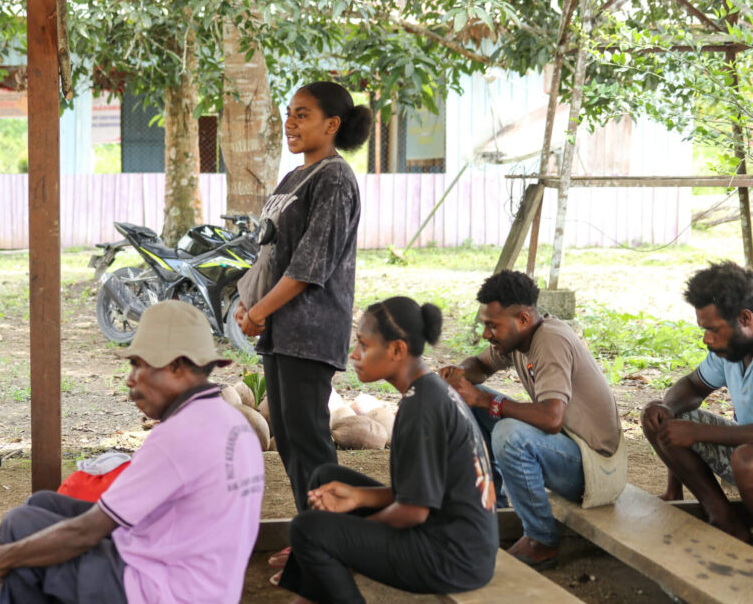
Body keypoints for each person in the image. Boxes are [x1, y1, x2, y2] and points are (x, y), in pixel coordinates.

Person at [0, 300, 264, 603]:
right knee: (41, 505)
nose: (130, 379)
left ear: (176, 366)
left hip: (164, 590)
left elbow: (88, 532)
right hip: (209, 583)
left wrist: (5, 556)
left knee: (21, 527)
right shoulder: (232, 421)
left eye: (138, 364)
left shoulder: (178, 435)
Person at [278, 297, 498, 603]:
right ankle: (309, 591)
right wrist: (357, 497)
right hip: (453, 537)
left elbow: (413, 511)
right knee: (326, 477)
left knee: (310, 530)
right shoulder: (429, 390)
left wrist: (345, 537)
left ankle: (317, 574)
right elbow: (418, 493)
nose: (354, 354)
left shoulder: (421, 408)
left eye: (363, 345)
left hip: (454, 557)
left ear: (397, 350)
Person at [235, 81, 369, 519]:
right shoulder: (294, 177)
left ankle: (331, 537)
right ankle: (313, 532)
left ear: (332, 125)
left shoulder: (335, 178)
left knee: (309, 440)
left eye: (303, 114)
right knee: (290, 438)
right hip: (279, 332)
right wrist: (248, 303)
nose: (290, 123)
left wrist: (259, 311)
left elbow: (310, 265)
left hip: (310, 333)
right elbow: (272, 254)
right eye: (289, 113)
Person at [440, 270, 620, 569]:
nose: (486, 334)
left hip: (596, 468)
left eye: (492, 326)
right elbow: (480, 365)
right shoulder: (519, 339)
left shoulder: (550, 340)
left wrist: (484, 400)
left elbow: (551, 418)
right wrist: (458, 374)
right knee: (463, 398)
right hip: (566, 448)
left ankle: (541, 540)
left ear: (522, 319)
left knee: (509, 433)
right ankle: (495, 508)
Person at [642, 261, 753, 543]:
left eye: (713, 329)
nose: (706, 339)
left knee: (747, 460)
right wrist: (667, 410)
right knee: (657, 416)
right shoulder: (730, 350)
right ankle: (724, 520)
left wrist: (699, 432)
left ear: (745, 319)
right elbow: (692, 385)